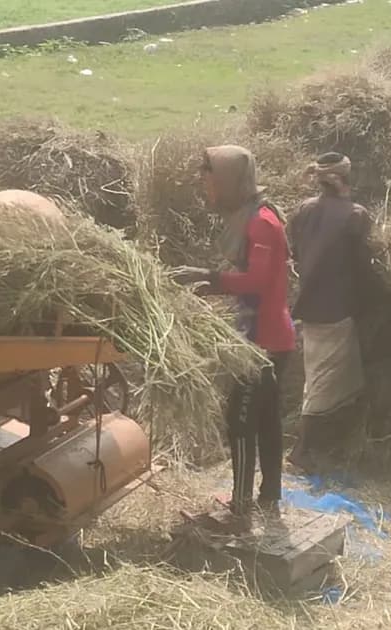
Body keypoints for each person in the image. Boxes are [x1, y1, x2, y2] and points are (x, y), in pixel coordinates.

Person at [171, 145, 295, 521]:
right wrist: (210, 284)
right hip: (266, 335)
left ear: (229, 180)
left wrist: (208, 277)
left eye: (210, 180)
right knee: (266, 419)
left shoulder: (262, 223)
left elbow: (256, 281)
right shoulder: (252, 217)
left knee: (241, 422)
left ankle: (240, 506)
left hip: (263, 342)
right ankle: (269, 496)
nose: (206, 187)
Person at [286, 152, 373, 469]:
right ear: (347, 178)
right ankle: (302, 451)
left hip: (310, 304)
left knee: (326, 375)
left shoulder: (303, 210)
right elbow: (363, 266)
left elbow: (295, 252)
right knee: (323, 383)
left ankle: (330, 444)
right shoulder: (356, 215)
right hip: (337, 307)